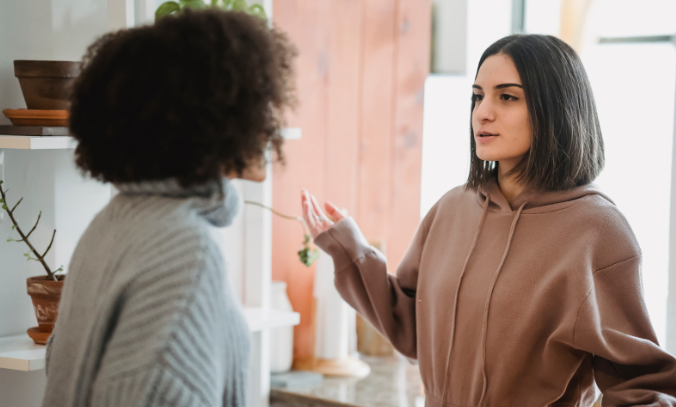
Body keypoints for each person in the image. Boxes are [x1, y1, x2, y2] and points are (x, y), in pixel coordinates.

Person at [301, 34, 676, 406]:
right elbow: (413, 328)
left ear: (556, 109)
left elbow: (642, 384)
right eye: (478, 96)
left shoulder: (597, 231)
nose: (483, 111)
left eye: (507, 96)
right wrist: (350, 248)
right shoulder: (451, 209)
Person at [43, 9, 296, 407]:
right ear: (213, 116)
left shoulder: (112, 222)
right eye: (257, 103)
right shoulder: (187, 250)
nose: (269, 122)